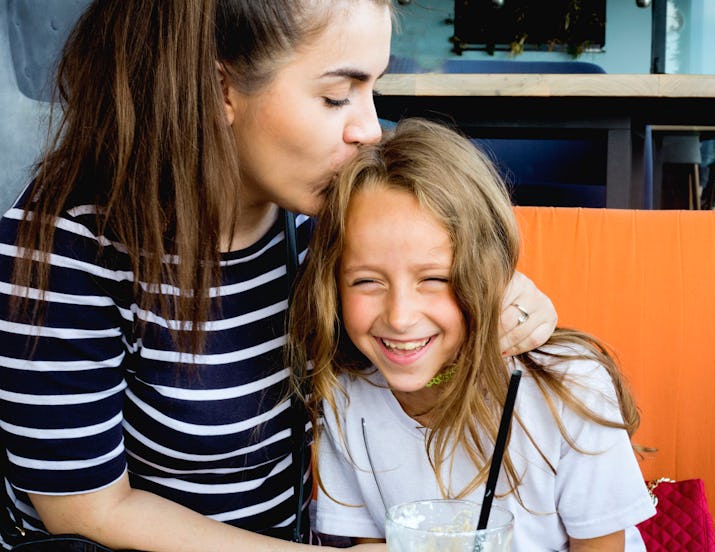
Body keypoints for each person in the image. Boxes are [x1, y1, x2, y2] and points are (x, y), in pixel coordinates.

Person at [0, 2, 558, 551]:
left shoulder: (320, 219)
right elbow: (86, 509)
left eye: (373, 91)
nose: (369, 128)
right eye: (337, 96)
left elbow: (420, 369)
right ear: (220, 90)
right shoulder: (62, 249)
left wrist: (491, 305)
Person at [289, 118, 655, 551]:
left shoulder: (569, 386)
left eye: (435, 279)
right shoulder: (346, 397)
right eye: (367, 281)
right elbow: (371, 545)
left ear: (485, 274)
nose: (401, 317)